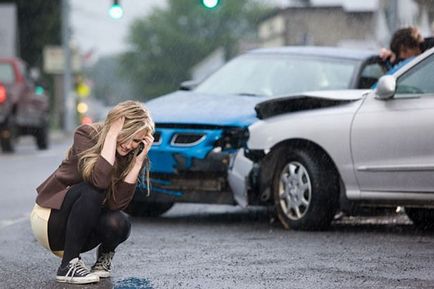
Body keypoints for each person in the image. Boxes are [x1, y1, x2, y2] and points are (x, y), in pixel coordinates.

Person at [30, 100, 154, 284]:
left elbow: (116, 205)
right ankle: (68, 266)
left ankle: (102, 260)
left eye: (136, 141)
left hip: (80, 231)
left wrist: (137, 163)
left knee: (120, 222)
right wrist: (111, 136)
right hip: (50, 220)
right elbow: (99, 181)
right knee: (93, 190)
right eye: (126, 135)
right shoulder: (86, 134)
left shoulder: (131, 155)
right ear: (115, 127)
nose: (129, 145)